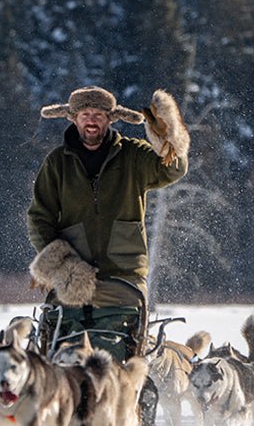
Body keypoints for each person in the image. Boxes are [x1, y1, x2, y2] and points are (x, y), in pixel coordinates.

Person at [26, 85, 188, 364]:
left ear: (111, 119)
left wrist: (167, 138)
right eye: (85, 113)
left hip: (124, 274)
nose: (91, 120)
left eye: (99, 114)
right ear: (73, 118)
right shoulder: (56, 163)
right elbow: (39, 217)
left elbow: (172, 170)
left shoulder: (133, 155)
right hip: (71, 276)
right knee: (63, 351)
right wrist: (60, 260)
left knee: (121, 353)